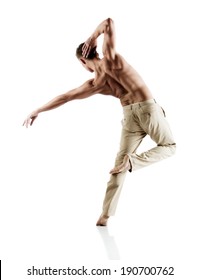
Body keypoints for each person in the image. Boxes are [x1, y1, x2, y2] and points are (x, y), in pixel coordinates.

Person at [23, 18, 176, 226]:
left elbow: (65, 96)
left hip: (129, 115)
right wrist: (93, 37)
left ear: (82, 61)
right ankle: (132, 162)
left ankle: (104, 217)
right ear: (93, 50)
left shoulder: (94, 83)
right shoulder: (112, 59)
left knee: (117, 168)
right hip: (147, 108)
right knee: (169, 146)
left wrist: (38, 109)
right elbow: (109, 23)